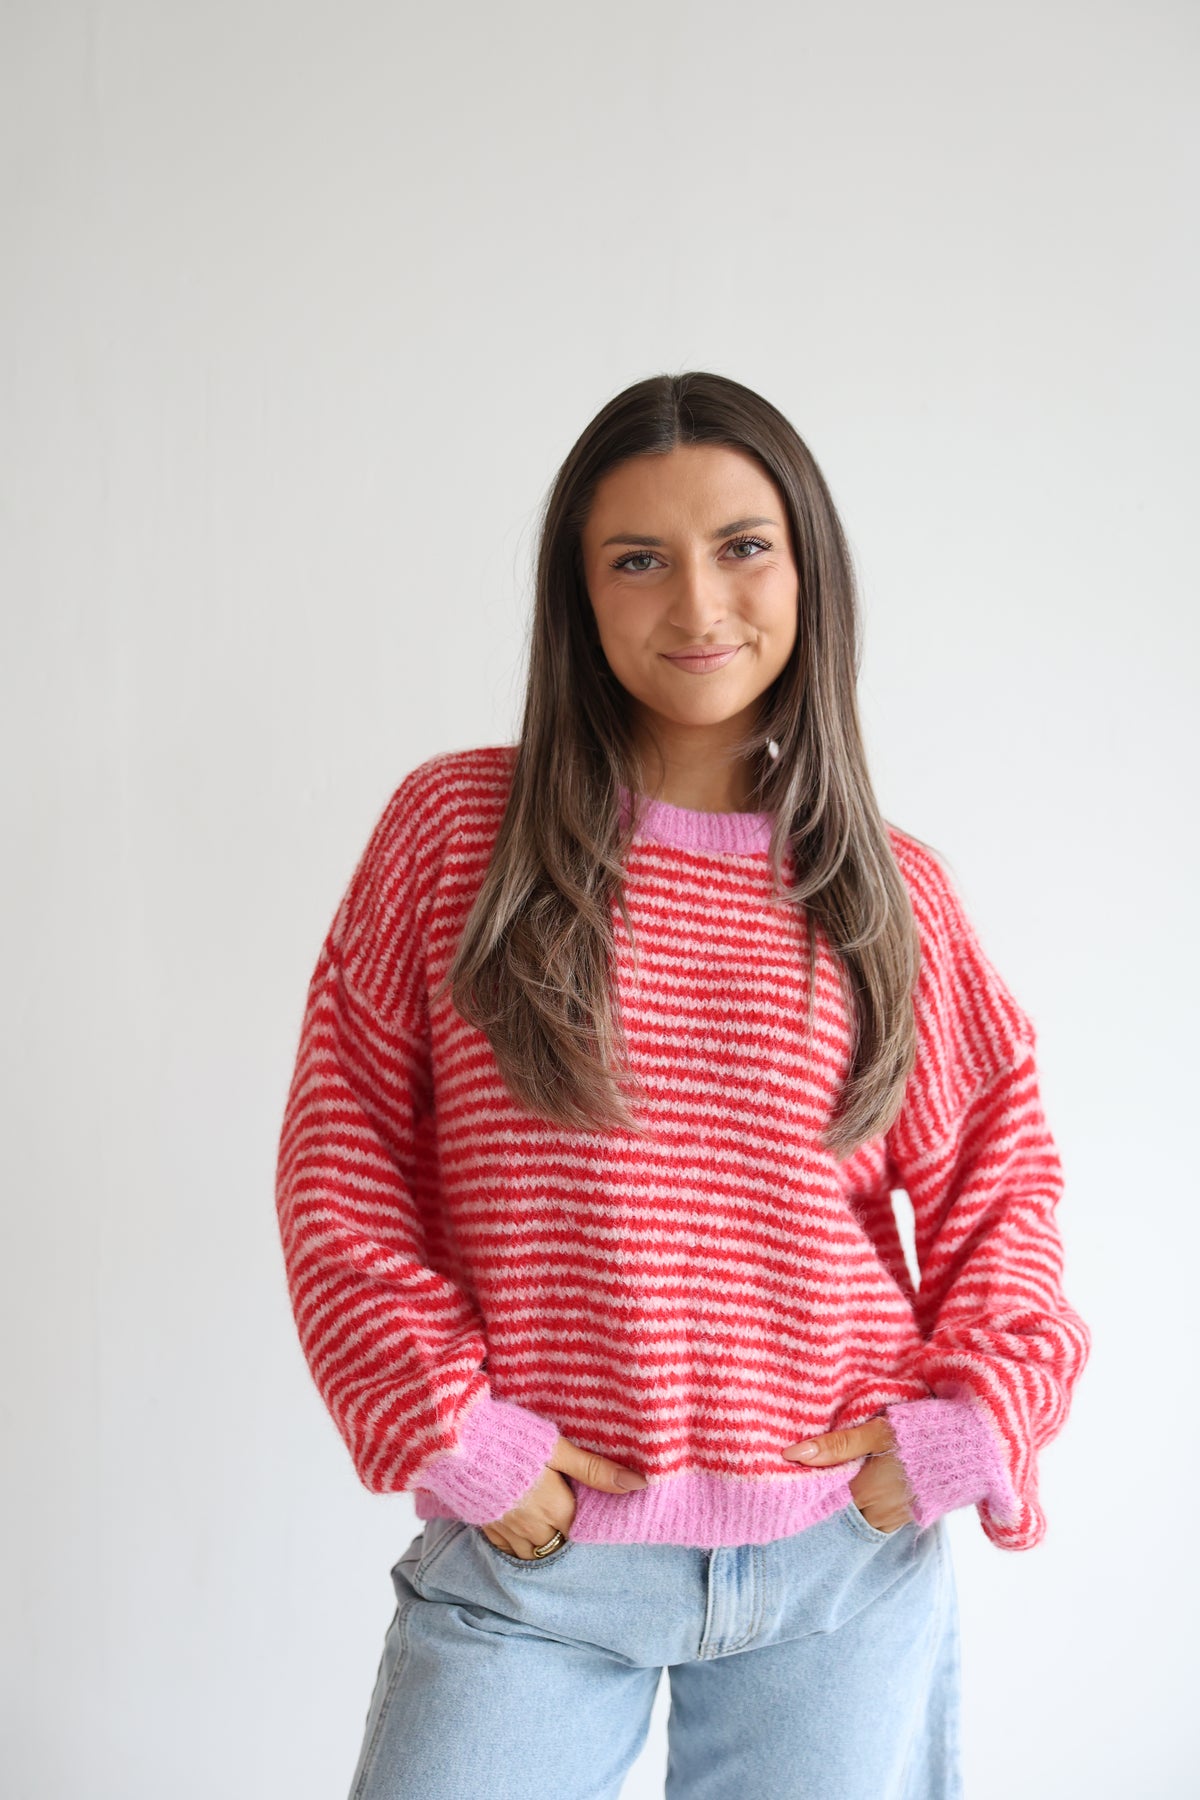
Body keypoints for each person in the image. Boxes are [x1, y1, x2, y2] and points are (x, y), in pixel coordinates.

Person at [274, 370, 1091, 1800]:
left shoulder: (889, 894)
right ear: (578, 594)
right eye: (638, 559)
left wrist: (969, 1423)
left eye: (743, 547)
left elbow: (1002, 1183)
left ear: (808, 567)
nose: (699, 604)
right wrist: (453, 1432)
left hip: (837, 1567)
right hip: (538, 1566)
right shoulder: (457, 837)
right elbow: (342, 1164)